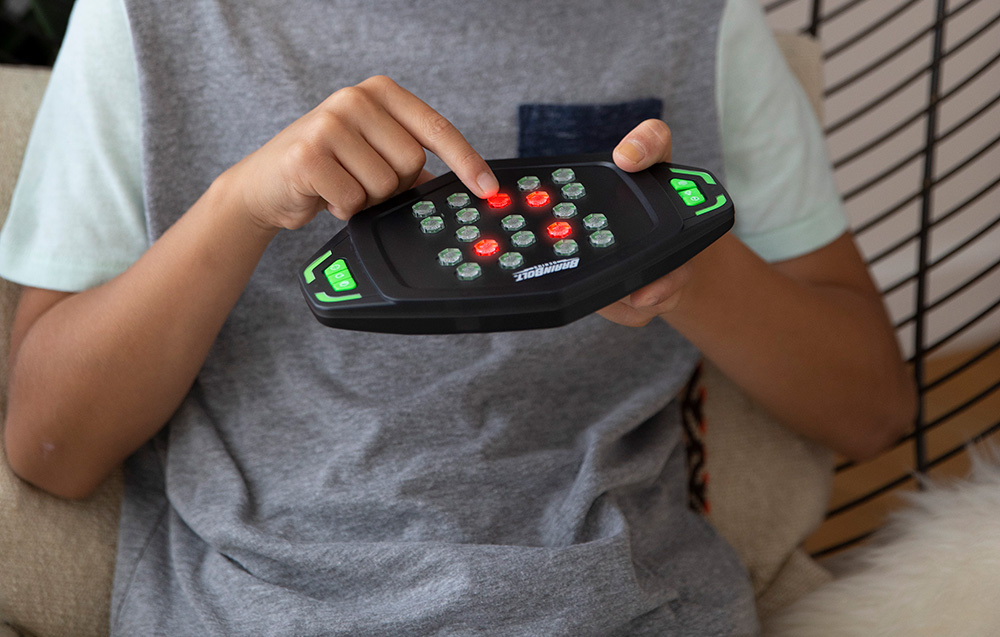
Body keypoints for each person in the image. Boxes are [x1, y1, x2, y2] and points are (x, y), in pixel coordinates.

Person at [0, 0, 915, 633]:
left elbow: (869, 407)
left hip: (627, 604)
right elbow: (52, 445)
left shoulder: (696, 23)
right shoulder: (146, 23)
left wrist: (680, 260)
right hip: (259, 609)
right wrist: (237, 207)